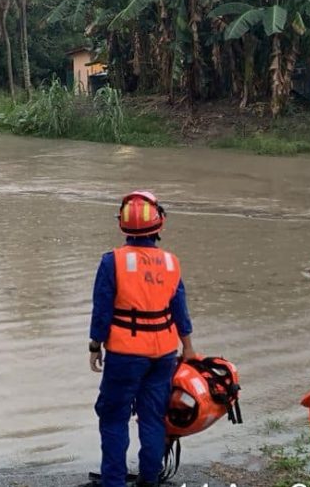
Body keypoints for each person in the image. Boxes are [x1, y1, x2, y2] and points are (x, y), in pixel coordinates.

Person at [89, 191, 198, 487]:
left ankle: (113, 481)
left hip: (124, 354)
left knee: (113, 417)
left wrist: (94, 345)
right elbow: (180, 310)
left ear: (122, 225)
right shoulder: (171, 263)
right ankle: (149, 480)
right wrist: (188, 348)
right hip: (163, 353)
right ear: (159, 225)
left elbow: (102, 310)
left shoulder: (112, 261)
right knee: (152, 418)